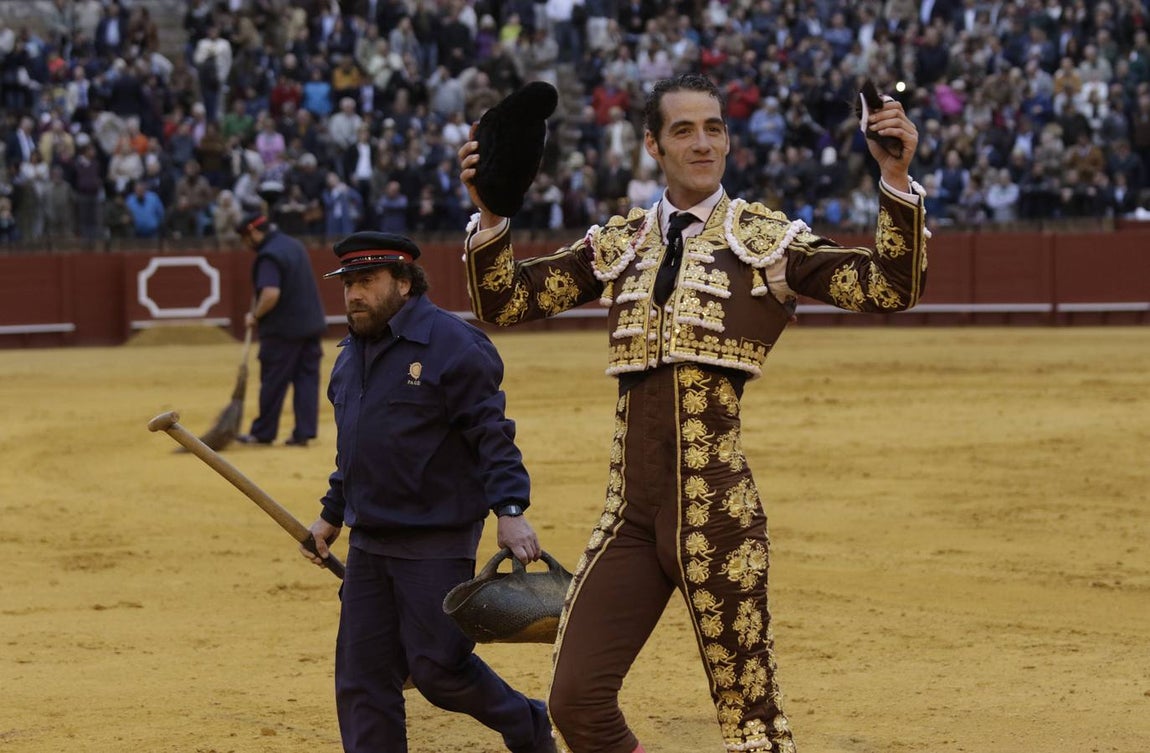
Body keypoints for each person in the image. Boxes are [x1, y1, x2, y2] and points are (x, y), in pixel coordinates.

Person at [457, 73, 929, 753]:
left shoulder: (766, 240)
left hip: (718, 514)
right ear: (654, 144)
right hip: (630, 514)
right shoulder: (620, 246)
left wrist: (895, 177)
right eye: (683, 129)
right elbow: (506, 302)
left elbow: (887, 286)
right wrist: (493, 214)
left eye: (713, 127)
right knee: (575, 699)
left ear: (729, 139)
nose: (702, 142)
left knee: (751, 716)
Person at [298, 231, 556, 753]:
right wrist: (331, 515)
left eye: (366, 282)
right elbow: (356, 450)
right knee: (363, 677)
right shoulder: (351, 354)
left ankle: (527, 723)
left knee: (439, 669)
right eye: (348, 283)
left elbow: (491, 435)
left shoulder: (454, 345)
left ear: (403, 281)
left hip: (435, 539)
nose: (353, 295)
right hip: (369, 540)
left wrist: (510, 510)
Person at [236, 213, 326, 447]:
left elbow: (270, 293)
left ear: (254, 232)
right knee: (306, 380)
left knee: (274, 381)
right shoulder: (292, 244)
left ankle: (263, 432)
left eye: (245, 238)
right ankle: (304, 433)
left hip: (283, 330)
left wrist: (254, 316)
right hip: (310, 325)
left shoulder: (269, 255)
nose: (245, 245)